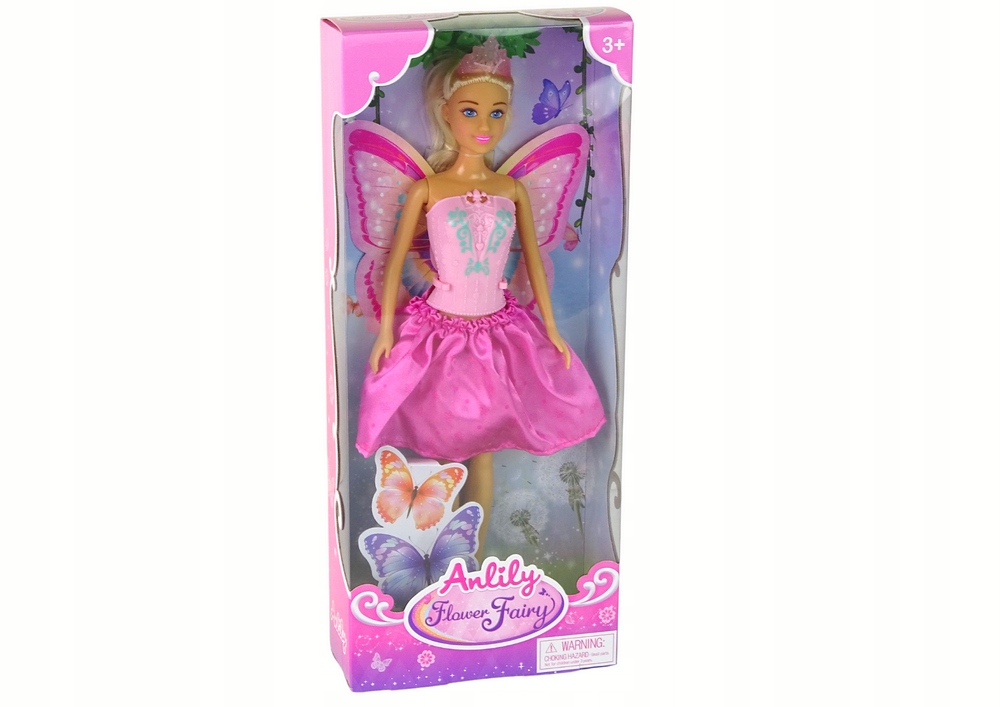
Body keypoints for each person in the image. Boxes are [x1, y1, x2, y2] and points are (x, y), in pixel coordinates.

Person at [355, 38, 605, 559]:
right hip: (439, 335)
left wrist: (552, 330)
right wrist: (384, 335)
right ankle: (436, 556)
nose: (484, 123)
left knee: (483, 452)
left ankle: (473, 556)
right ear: (445, 112)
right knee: (442, 446)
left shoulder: (511, 190)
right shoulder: (428, 189)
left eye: (497, 111)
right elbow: (394, 262)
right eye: (470, 111)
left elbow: (532, 262)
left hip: (497, 334)